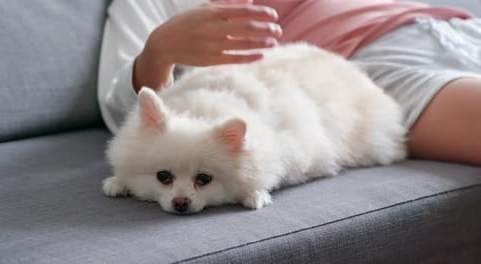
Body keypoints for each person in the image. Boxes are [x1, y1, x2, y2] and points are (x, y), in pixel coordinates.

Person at [97, 0, 481, 166]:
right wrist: (159, 52)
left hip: (453, 25)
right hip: (366, 66)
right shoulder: (145, 4)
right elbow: (123, 109)